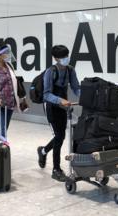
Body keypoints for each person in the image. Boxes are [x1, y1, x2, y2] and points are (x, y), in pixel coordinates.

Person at [37, 45, 80, 182]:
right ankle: (56, 169)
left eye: (67, 56)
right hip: (51, 106)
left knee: (60, 137)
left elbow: (76, 88)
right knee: (59, 136)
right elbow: (46, 95)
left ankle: (43, 151)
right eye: (62, 57)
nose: (66, 59)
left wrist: (87, 97)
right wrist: (60, 100)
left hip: (63, 107)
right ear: (56, 58)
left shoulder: (70, 70)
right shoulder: (51, 71)